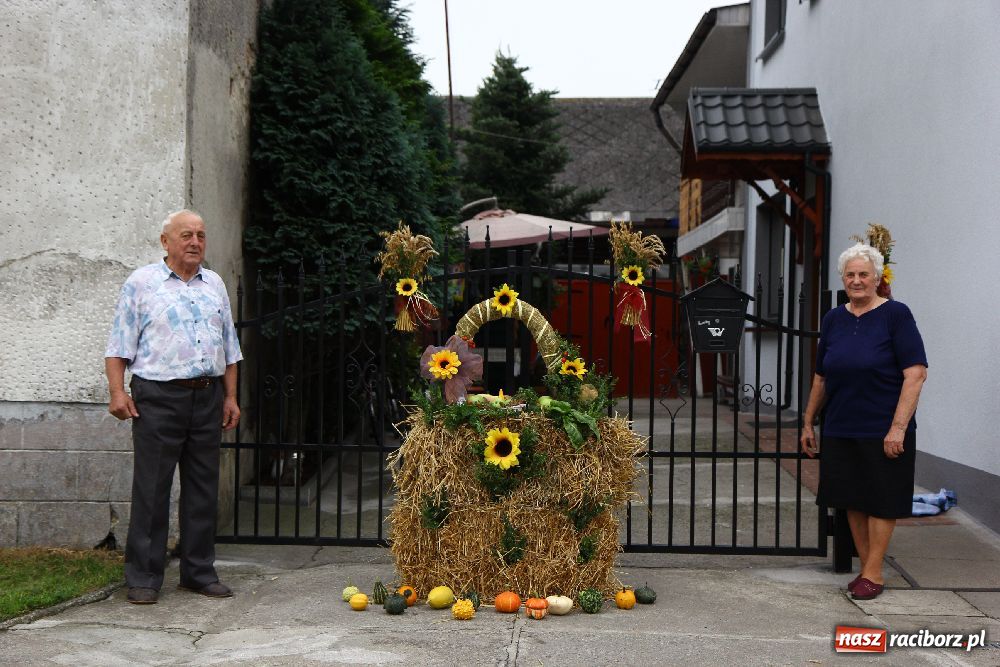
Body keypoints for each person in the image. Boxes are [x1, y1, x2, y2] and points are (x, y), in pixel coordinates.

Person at [105, 209, 242, 605]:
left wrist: (230, 397)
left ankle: (198, 572)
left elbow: (230, 349)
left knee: (203, 488)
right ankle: (145, 577)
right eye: (186, 235)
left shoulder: (214, 283)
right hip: (158, 397)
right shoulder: (142, 283)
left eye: (200, 235)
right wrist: (117, 392)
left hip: (208, 395)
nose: (195, 242)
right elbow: (118, 345)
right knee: (152, 487)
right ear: (166, 241)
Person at [800, 243, 927, 600]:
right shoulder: (834, 318)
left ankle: (873, 572)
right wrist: (809, 422)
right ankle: (866, 570)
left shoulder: (896, 315)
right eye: (851, 275)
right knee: (852, 498)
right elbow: (821, 377)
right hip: (841, 424)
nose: (856, 281)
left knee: (881, 499)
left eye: (863, 275)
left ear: (877, 278)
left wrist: (898, 427)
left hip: (882, 427)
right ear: (844, 279)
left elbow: (915, 373)